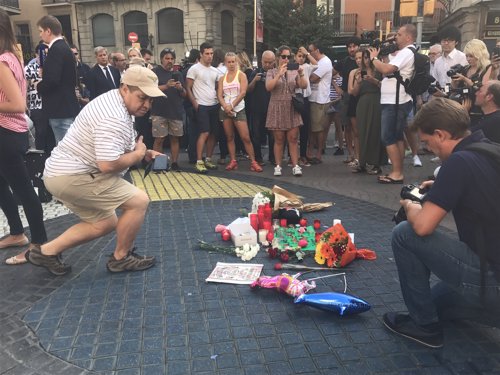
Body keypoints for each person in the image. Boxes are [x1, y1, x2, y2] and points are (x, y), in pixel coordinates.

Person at [26, 66, 164, 275]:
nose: (146, 105)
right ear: (125, 89)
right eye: (142, 97)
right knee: (139, 201)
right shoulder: (113, 116)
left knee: (104, 222)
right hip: (72, 175)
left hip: (60, 173)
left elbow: (111, 144)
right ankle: (121, 258)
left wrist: (144, 152)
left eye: (150, 100)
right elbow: (107, 165)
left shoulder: (116, 100)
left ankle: (45, 252)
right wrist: (137, 155)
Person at [386, 98, 500, 348]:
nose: (430, 149)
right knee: (436, 303)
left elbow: (423, 226)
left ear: (441, 134)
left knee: (405, 233)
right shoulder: (489, 149)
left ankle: (424, 327)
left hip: (491, 279)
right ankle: (469, 309)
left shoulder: (457, 163)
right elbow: (481, 185)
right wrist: (442, 187)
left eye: (427, 142)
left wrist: (411, 206)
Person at [0, 9, 48, 265]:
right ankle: (17, 233)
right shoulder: (12, 57)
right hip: (10, 132)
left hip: (6, 133)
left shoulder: (3, 61)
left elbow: (18, 104)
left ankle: (38, 245)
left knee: (24, 191)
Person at [368, 24, 417, 184]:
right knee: (396, 137)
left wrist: (374, 58)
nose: (396, 37)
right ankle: (398, 171)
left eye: (399, 34)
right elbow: (391, 67)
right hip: (395, 100)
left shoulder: (406, 52)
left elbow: (386, 69)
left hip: (396, 101)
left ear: (408, 37)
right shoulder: (405, 53)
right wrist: (383, 54)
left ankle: (397, 173)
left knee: (388, 136)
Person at [36, 15, 79, 144]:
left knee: (65, 152)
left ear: (48, 31)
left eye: (40, 31)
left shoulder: (56, 49)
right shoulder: (64, 48)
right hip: (66, 107)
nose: (40, 35)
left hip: (60, 110)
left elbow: (52, 81)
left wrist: (39, 85)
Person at [265, 45, 307, 177]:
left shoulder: (294, 71)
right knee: (279, 139)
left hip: (291, 106)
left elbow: (304, 85)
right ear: (278, 57)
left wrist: (300, 73)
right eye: (283, 57)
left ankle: (295, 165)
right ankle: (278, 166)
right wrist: (279, 74)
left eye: (288, 57)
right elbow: (268, 87)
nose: (286, 59)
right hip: (277, 106)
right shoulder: (271, 72)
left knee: (293, 138)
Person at [217, 52, 262, 172]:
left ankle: (253, 161)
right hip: (225, 109)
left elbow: (243, 93)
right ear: (225, 63)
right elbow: (219, 95)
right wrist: (225, 106)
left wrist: (231, 105)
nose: (231, 64)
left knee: (245, 137)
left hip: (238, 108)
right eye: (229, 62)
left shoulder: (241, 75)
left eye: (233, 61)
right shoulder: (222, 78)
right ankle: (233, 160)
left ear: (237, 62)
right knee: (229, 136)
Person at [186, 42, 222, 174]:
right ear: (201, 54)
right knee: (204, 132)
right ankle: (199, 161)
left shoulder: (215, 70)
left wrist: (219, 100)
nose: (209, 56)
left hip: (214, 104)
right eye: (207, 53)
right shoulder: (194, 69)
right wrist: (194, 103)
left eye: (211, 53)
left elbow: (217, 87)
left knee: (213, 133)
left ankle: (208, 158)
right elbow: (188, 87)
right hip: (201, 105)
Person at [151, 48, 186, 170]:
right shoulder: (155, 72)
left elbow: (185, 95)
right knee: (159, 139)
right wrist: (166, 86)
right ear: (161, 59)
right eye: (167, 58)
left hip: (175, 112)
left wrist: (180, 88)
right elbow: (151, 89)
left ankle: (175, 163)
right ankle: (159, 165)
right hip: (159, 111)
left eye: (171, 59)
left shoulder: (178, 74)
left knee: (175, 138)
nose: (169, 61)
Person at [351, 49, 384, 175]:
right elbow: (354, 92)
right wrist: (359, 83)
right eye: (364, 57)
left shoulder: (380, 70)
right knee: (362, 132)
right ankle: (362, 162)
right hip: (363, 102)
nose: (366, 60)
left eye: (368, 57)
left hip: (376, 101)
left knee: (375, 131)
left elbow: (385, 86)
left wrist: (373, 81)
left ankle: (376, 163)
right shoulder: (359, 72)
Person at [451, 39, 493, 125]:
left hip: (479, 110)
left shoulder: (488, 68)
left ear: (479, 54)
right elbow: (455, 89)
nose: (468, 59)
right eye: (466, 56)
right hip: (463, 108)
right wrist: (454, 81)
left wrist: (465, 79)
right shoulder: (466, 68)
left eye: (471, 56)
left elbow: (484, 89)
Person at [25, 43, 55, 154]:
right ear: (36, 54)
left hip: (51, 103)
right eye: (42, 54)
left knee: (51, 131)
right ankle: (40, 153)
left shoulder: (52, 67)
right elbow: (25, 87)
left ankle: (51, 154)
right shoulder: (29, 68)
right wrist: (25, 103)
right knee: (41, 130)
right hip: (36, 104)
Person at [305, 41, 332, 165]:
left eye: (310, 51)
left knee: (318, 128)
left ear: (317, 50)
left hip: (320, 100)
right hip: (312, 98)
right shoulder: (316, 63)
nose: (309, 53)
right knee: (312, 128)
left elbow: (312, 78)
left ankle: (319, 153)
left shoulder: (325, 62)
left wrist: (310, 77)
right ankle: (310, 151)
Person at [247, 50, 275, 165]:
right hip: (257, 109)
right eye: (265, 62)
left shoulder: (276, 72)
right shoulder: (255, 72)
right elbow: (248, 90)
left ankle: (273, 157)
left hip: (272, 109)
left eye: (270, 62)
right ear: (261, 61)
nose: (267, 65)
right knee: (256, 135)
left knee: (273, 135)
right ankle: (258, 157)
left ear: (274, 62)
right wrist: (255, 80)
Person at [339, 37, 361, 164]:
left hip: (360, 97)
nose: (352, 49)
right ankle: (351, 154)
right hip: (347, 96)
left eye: (354, 46)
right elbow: (331, 73)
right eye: (349, 47)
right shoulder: (344, 62)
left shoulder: (364, 62)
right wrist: (338, 88)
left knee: (357, 129)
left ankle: (359, 155)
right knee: (347, 127)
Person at [346, 49, 363, 167]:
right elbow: (350, 91)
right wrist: (358, 81)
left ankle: (366, 157)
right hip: (354, 102)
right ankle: (357, 157)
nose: (358, 61)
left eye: (361, 58)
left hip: (367, 100)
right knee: (356, 132)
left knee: (366, 131)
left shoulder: (373, 70)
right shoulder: (353, 72)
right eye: (356, 58)